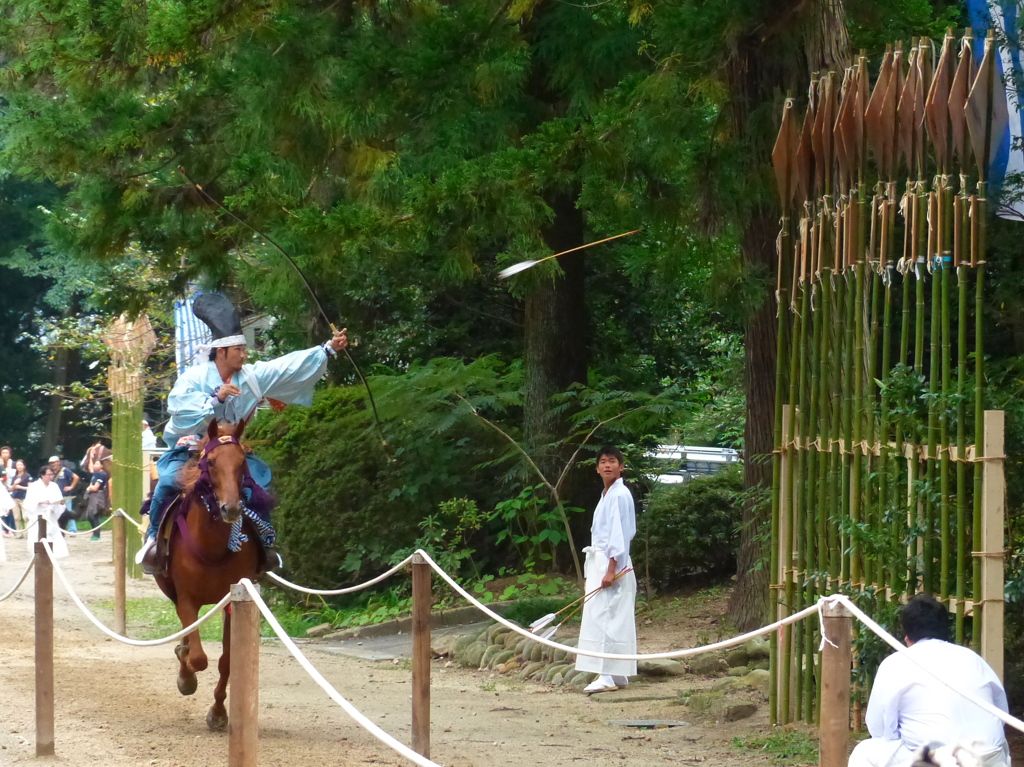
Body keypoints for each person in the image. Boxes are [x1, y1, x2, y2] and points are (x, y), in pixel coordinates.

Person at [137, 292, 348, 572]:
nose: (244, 354)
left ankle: (264, 543)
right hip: (192, 450)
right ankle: (154, 540)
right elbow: (178, 407)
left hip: (231, 453)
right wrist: (215, 399)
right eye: (239, 350)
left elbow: (285, 366)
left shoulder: (251, 377)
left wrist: (328, 349)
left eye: (244, 350)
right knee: (166, 484)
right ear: (221, 351)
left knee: (259, 486)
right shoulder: (194, 377)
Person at [849, 594, 1010, 767]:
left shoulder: (896, 662)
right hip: (989, 759)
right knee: (1001, 743)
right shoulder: (973, 658)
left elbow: (879, 728)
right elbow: (1000, 713)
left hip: (938, 761)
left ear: (907, 638)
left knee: (865, 752)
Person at [574, 446, 638, 694]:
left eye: (613, 461)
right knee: (602, 616)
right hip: (600, 560)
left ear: (621, 466)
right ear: (597, 467)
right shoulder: (607, 493)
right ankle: (617, 672)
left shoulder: (620, 494)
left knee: (608, 618)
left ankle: (608, 675)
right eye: (603, 461)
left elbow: (619, 534)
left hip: (613, 563)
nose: (608, 465)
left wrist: (611, 569)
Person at [24, 465, 70, 559]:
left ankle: (54, 554)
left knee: (52, 533)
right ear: (42, 475)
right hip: (38, 513)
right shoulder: (34, 486)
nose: (51, 476)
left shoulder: (54, 486)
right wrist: (40, 502)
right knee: (37, 534)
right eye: (49, 474)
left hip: (51, 513)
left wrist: (60, 503)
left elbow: (58, 499)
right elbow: (29, 502)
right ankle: (38, 553)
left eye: (52, 474)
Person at [48, 454, 80, 533]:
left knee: (68, 513)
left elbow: (76, 477)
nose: (52, 464)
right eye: (51, 463)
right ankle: (58, 529)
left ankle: (72, 530)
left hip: (65, 496)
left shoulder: (65, 470)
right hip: (54, 497)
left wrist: (71, 487)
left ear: (58, 462)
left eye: (54, 462)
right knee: (56, 513)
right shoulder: (50, 472)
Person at [83, 459, 110, 541]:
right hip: (92, 496)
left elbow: (95, 488)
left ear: (102, 465)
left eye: (97, 464)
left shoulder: (102, 474)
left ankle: (97, 535)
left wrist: (90, 488)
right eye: (95, 464)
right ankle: (94, 532)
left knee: (94, 515)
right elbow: (91, 484)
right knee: (89, 515)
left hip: (98, 496)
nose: (95, 465)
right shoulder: (95, 474)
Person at [8, 460, 31, 531]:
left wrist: (20, 487)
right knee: (16, 517)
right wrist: (15, 484)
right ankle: (19, 531)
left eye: (21, 465)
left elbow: (30, 488)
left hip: (24, 498)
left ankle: (27, 532)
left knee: (25, 517)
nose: (19, 467)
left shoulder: (27, 476)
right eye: (18, 465)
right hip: (15, 497)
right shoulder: (14, 476)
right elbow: (11, 489)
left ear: (24, 466)